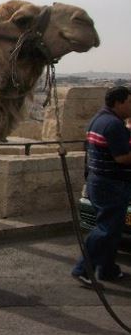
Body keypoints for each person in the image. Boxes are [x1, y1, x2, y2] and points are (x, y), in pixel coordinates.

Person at [71, 85, 131, 288]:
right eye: (130, 102)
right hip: (111, 184)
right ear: (119, 102)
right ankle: (82, 269)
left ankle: (106, 269)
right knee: (105, 230)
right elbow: (122, 157)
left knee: (112, 229)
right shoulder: (113, 125)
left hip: (99, 181)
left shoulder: (97, 119)